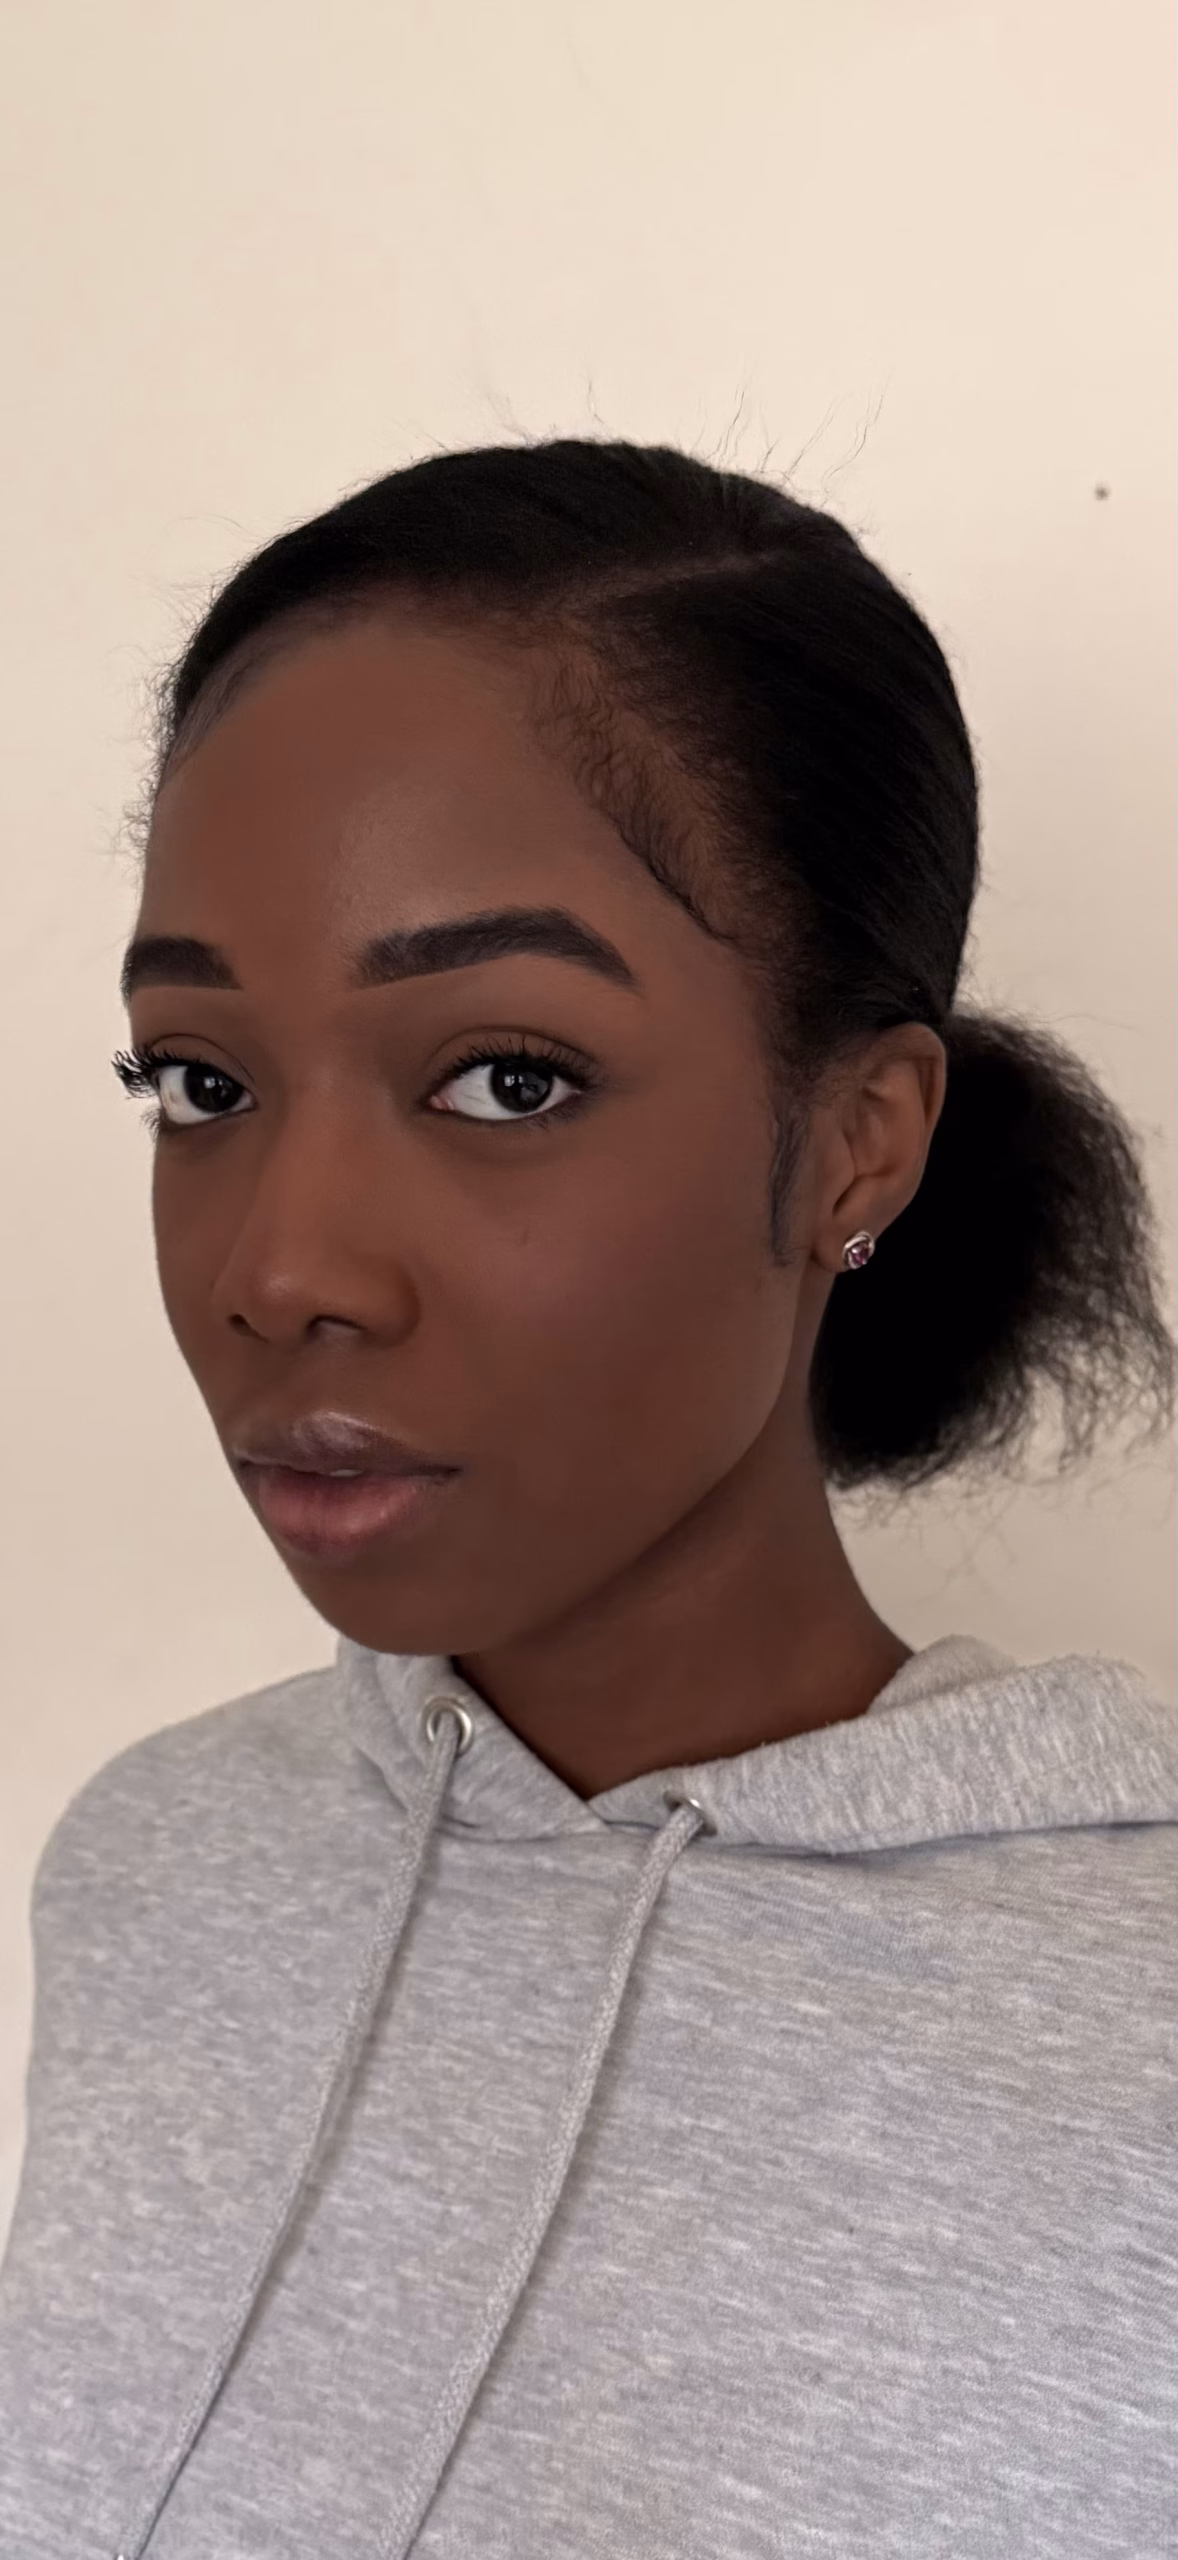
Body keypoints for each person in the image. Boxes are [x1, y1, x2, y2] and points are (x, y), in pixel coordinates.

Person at [1, 440, 1174, 2560]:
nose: (280, 1267)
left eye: (505, 1078)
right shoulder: (158, 1863)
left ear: (857, 1142)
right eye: (203, 1080)